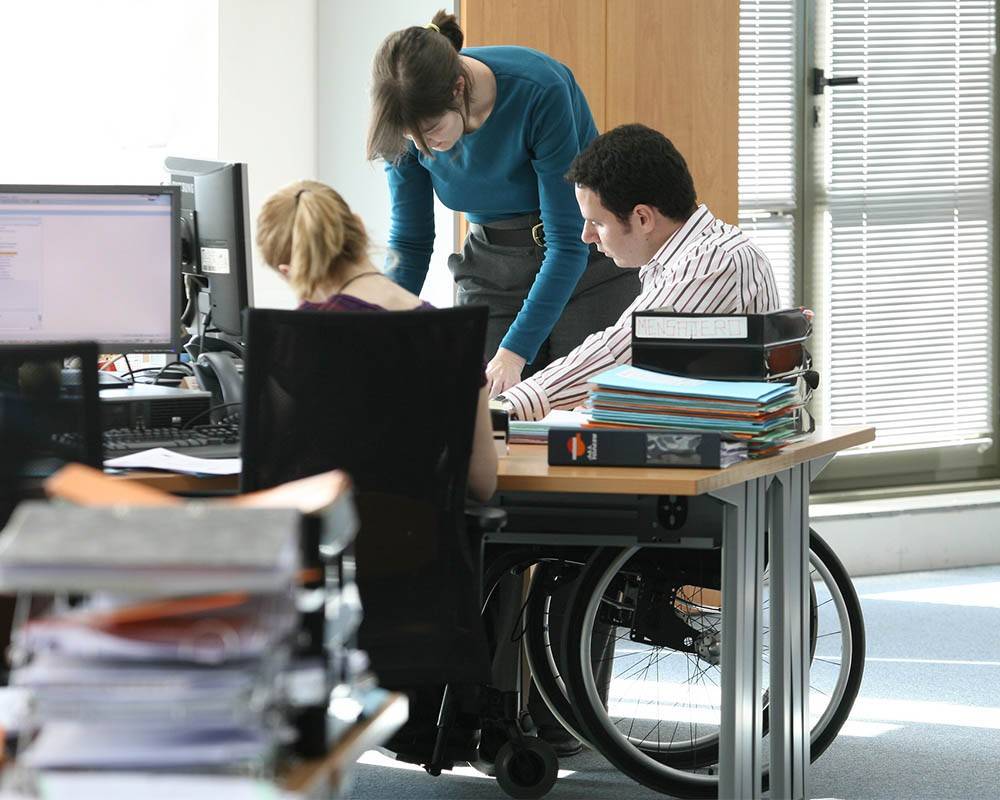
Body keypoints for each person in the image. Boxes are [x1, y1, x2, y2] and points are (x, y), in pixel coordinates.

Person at [367, 10, 640, 398]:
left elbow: (567, 243)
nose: (419, 146)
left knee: (579, 412)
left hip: (586, 264)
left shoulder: (538, 88)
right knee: (486, 411)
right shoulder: (405, 117)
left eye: (429, 131)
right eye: (409, 136)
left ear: (458, 89)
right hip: (491, 268)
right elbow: (410, 244)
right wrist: (376, 326)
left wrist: (514, 352)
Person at [499, 123, 782, 420]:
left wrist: (509, 405)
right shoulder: (678, 258)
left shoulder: (716, 261)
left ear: (643, 218)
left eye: (597, 223)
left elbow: (626, 349)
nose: (586, 236)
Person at [255, 179, 497, 502]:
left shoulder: (293, 339)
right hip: (419, 546)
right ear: (358, 226)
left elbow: (273, 472)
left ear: (288, 272)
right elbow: (482, 482)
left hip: (320, 546)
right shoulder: (452, 334)